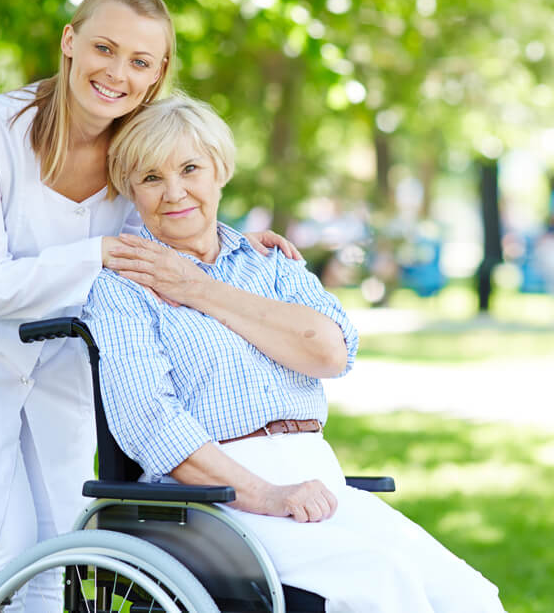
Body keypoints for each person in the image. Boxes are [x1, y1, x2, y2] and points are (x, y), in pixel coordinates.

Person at [0, 0, 299, 612]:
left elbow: (169, 227)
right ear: (70, 42)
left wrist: (230, 241)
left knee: (59, 542)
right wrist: (96, 254)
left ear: (158, 71)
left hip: (63, 346)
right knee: (1, 546)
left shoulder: (139, 150)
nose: (117, 73)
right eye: (104, 49)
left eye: (140, 61)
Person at [83, 95, 506, 612]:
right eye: (150, 178)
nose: (174, 192)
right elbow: (150, 421)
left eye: (190, 168)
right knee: (383, 582)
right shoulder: (122, 286)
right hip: (211, 503)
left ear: (220, 170)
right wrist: (266, 495)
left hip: (317, 477)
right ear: (131, 189)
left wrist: (197, 288)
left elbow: (331, 353)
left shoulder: (272, 266)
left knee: (470, 597)